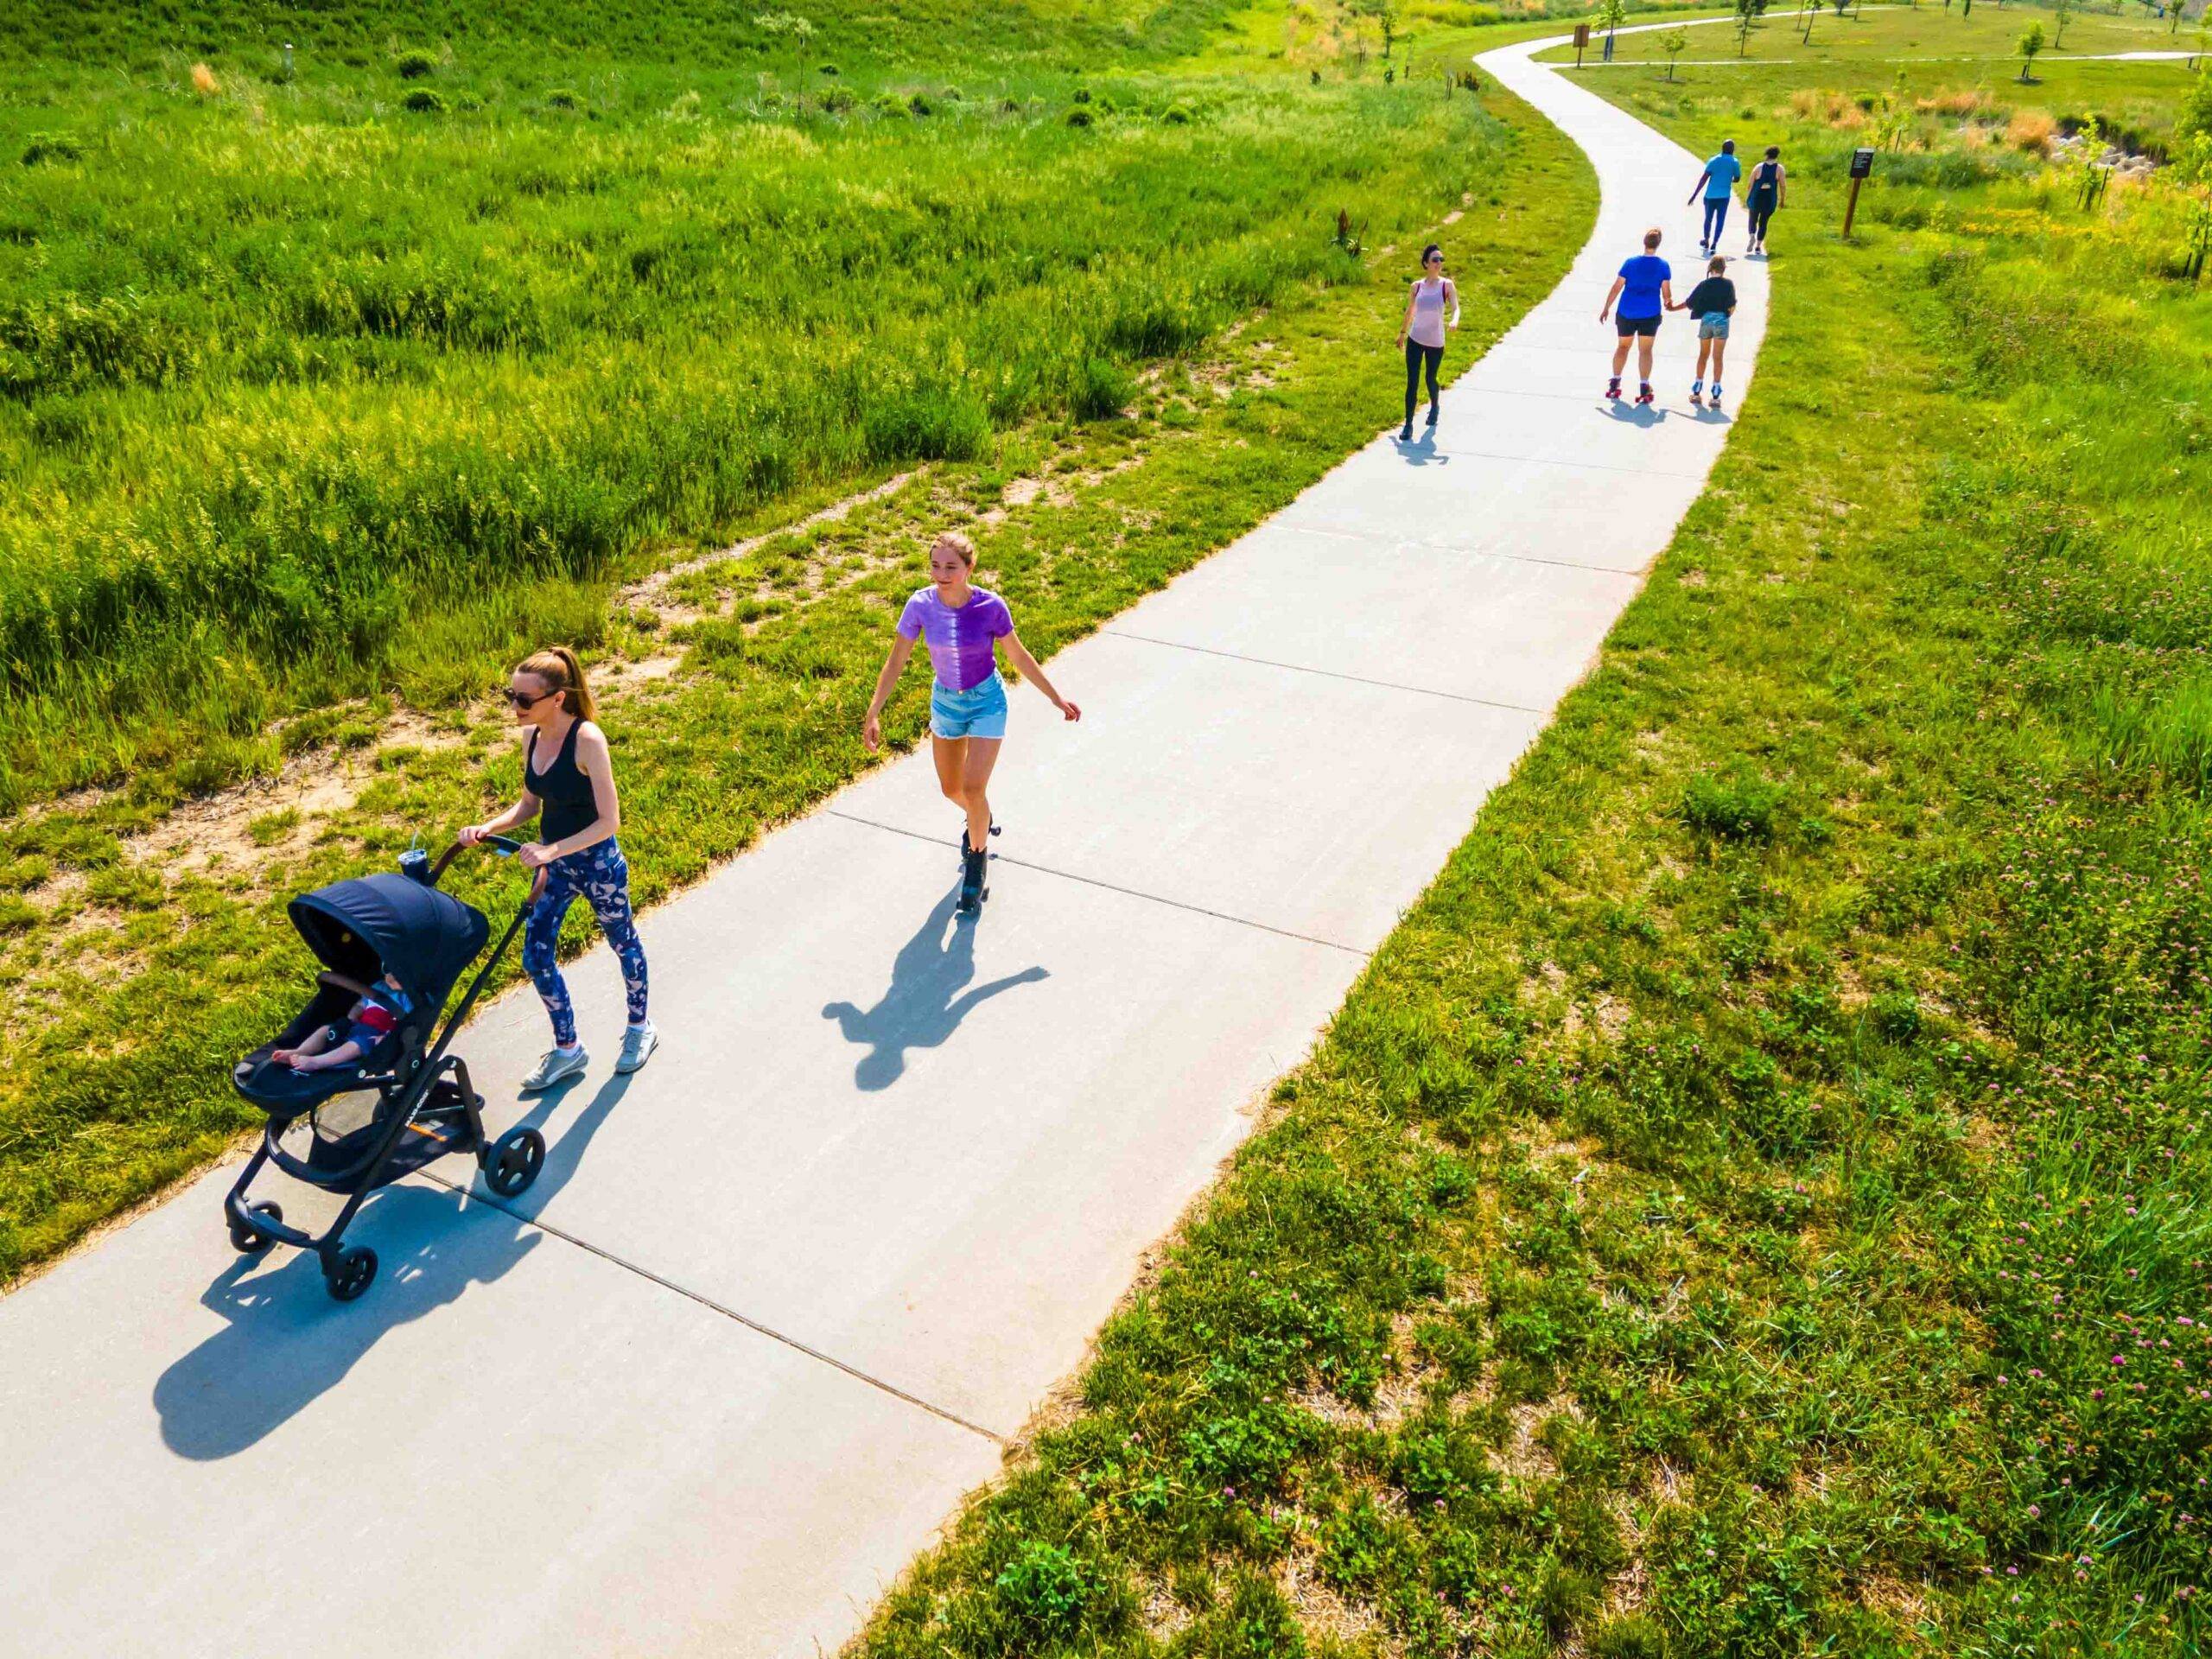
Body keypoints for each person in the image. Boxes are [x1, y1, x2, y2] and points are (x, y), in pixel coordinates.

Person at [461, 646, 656, 1091]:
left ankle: (640, 1027)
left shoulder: (588, 740)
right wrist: (488, 827)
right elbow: (530, 805)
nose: (514, 706)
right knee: (536, 954)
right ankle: (568, 1049)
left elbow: (609, 822)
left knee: (622, 942)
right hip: (555, 866)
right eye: (510, 696)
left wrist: (552, 851)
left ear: (558, 698)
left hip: (597, 864)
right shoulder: (530, 736)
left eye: (524, 699)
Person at [862, 532, 1082, 912]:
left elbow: (1018, 655)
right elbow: (896, 660)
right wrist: (874, 711)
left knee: (973, 787)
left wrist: (1055, 696)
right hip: (946, 704)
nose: (941, 574)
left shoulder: (990, 606)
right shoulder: (920, 605)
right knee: (952, 790)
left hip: (986, 702)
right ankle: (979, 817)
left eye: (951, 567)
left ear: (969, 568)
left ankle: (976, 862)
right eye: (935, 566)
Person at [273, 973, 412, 1072]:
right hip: (357, 1025)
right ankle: (299, 1051)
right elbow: (360, 1005)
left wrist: (386, 1037)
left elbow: (406, 1022)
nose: (392, 977)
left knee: (358, 1044)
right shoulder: (379, 986)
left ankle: (317, 1062)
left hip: (376, 1034)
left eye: (398, 974)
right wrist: (351, 1018)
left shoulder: (407, 997)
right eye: (388, 970)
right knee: (325, 1030)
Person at [1599, 227, 1674, 407]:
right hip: (1650, 313)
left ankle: (1615, 381)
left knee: (1623, 347)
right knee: (1645, 350)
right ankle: (1644, 386)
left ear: (1644, 242)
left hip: (1627, 311)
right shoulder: (1663, 266)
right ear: (1658, 244)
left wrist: (1606, 307)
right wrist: (1669, 302)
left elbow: (1617, 287)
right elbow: (1666, 294)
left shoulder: (1630, 263)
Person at [1395, 244, 1460, 442]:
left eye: (1441, 260)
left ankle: (1434, 406)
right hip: (1415, 339)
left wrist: (1454, 320)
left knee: (1430, 379)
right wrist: (1402, 333)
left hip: (1435, 342)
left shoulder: (1446, 285)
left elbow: (1456, 308)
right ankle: (1408, 424)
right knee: (1412, 382)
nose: (1439, 263)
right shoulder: (1417, 287)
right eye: (1435, 260)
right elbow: (1410, 311)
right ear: (1425, 263)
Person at [1671, 255, 1737, 410]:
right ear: (1724, 269)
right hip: (1722, 321)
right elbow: (1732, 306)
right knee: (1718, 357)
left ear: (1710, 268)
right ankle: (1716, 394)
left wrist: (1673, 308)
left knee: (1703, 355)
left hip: (1706, 320)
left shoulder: (1704, 284)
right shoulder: (1728, 284)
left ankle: (1697, 390)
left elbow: (1689, 303)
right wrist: (1726, 316)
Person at [1688, 138, 1743, 255]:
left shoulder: (1713, 160)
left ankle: (1706, 240)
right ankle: (1714, 243)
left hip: (1710, 196)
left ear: (1722, 148)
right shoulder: (1734, 162)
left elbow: (1704, 179)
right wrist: (1730, 179)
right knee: (1720, 220)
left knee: (1708, 218)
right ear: (1733, 150)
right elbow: (1737, 178)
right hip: (1724, 196)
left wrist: (1694, 195)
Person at [1745, 145, 1786, 254]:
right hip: (1769, 199)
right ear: (1777, 156)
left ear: (1767, 155)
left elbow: (1750, 184)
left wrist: (1748, 197)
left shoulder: (1758, 167)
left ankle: (1752, 236)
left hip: (1756, 197)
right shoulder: (1779, 169)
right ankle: (1758, 246)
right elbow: (1783, 186)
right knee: (1764, 222)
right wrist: (1782, 200)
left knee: (1752, 219)